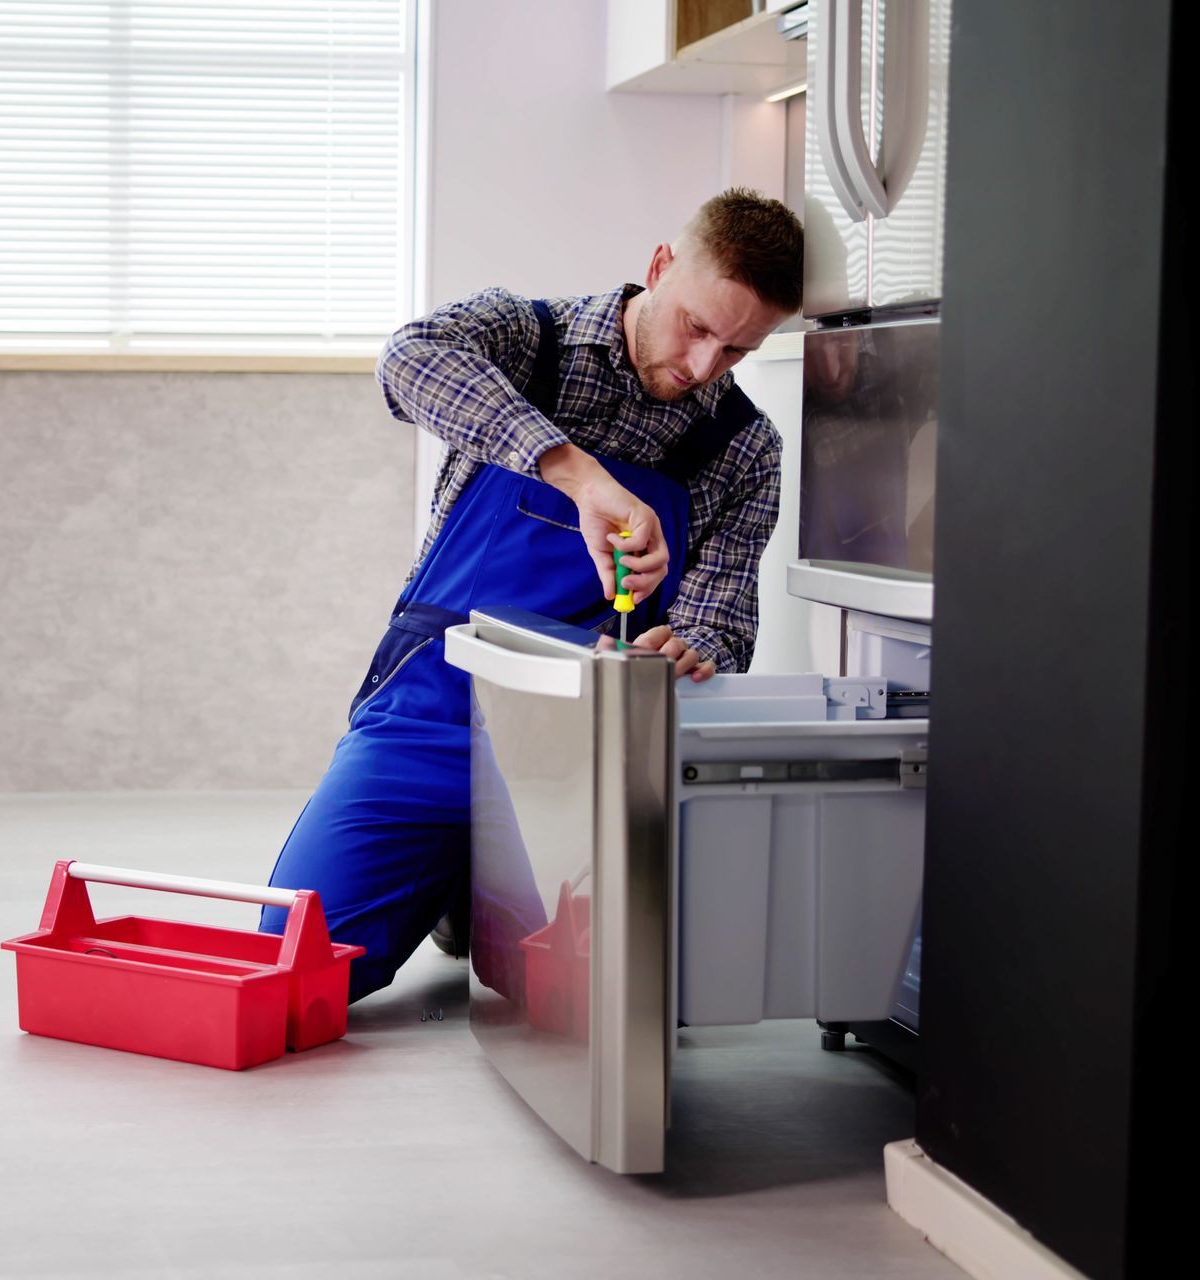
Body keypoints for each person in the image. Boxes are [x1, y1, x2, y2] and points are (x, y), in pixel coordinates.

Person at [261, 188, 804, 1000]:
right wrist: (573, 472)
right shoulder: (526, 336)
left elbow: (721, 616)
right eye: (696, 327)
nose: (701, 369)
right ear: (660, 267)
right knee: (296, 970)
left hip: (577, 756)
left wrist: (690, 644)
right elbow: (407, 361)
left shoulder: (745, 448)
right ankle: (454, 872)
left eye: (735, 352)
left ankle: (469, 880)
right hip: (432, 708)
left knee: (601, 997)